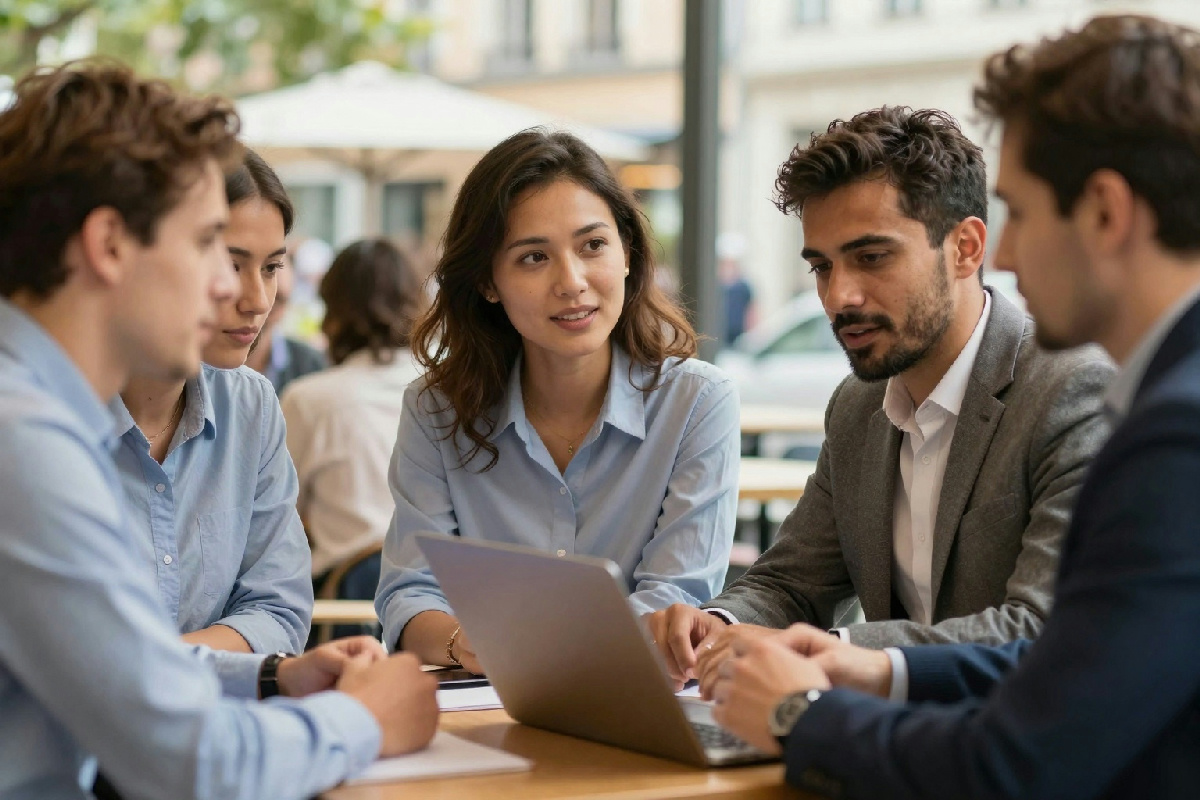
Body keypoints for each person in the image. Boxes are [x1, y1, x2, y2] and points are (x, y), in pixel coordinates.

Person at [703, 15, 1200, 799]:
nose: (1008, 252)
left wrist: (802, 711)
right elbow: (1061, 663)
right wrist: (858, 663)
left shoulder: (1168, 430)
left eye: (1021, 213)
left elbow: (1022, 757)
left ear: (1105, 212)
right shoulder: (860, 407)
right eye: (821, 267)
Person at [0, 61, 437, 799]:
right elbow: (192, 762)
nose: (236, 290)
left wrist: (266, 675)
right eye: (209, 243)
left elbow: (124, 675)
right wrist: (363, 718)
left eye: (265, 264)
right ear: (109, 244)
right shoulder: (25, 441)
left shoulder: (39, 409)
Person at [648, 105, 1114, 682]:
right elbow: (791, 582)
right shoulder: (858, 407)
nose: (838, 297)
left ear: (966, 248)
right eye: (822, 267)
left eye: (871, 258)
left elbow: (1040, 629)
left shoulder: (1073, 390)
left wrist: (832, 651)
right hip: (891, 730)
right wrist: (717, 623)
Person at [375, 129, 741, 674]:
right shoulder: (435, 411)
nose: (572, 282)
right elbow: (409, 592)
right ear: (488, 282)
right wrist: (462, 641)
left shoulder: (697, 402)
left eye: (593, 246)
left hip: (631, 694)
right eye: (533, 257)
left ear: (627, 254)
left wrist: (541, 651)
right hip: (484, 697)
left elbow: (675, 595)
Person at [114, 149, 312, 654]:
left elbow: (280, 611)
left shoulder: (250, 403)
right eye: (228, 263)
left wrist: (159, 669)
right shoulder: (45, 414)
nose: (257, 300)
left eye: (272, 268)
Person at [281, 238, 424, 602]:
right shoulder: (450, 387)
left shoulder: (310, 400)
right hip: (445, 595)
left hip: (350, 602)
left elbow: (275, 517)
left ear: (333, 311)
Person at [244, 255, 327, 394]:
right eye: (270, 268)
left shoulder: (310, 363)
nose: (264, 305)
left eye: (279, 300)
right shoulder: (209, 359)